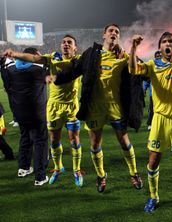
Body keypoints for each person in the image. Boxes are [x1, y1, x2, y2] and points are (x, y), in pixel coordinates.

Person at [54, 24, 143, 193]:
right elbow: (75, 70)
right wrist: (56, 78)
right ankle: (101, 176)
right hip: (95, 107)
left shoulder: (124, 56)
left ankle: (134, 173)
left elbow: (138, 70)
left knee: (124, 141)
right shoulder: (91, 53)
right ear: (104, 35)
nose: (114, 33)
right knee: (95, 144)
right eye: (111, 31)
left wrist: (131, 49)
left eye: (117, 32)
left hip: (116, 107)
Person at [129, 32, 172, 213]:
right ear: (160, 47)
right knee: (153, 161)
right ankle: (153, 196)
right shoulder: (152, 65)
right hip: (160, 119)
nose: (168, 44)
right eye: (165, 42)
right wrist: (134, 47)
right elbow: (132, 69)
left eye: (171, 41)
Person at [3, 35, 83, 187]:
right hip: (49, 108)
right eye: (63, 42)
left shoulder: (79, 60)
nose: (65, 44)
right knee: (51, 140)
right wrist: (16, 54)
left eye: (69, 42)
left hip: (68, 107)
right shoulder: (50, 59)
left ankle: (76, 170)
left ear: (75, 47)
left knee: (73, 140)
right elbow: (33, 59)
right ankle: (54, 170)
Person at [1, 47, 49, 185]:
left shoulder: (10, 69)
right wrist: (42, 59)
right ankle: (40, 176)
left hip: (19, 113)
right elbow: (52, 74)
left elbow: (7, 85)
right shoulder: (39, 70)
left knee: (25, 138)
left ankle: (23, 168)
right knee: (40, 141)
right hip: (37, 113)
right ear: (32, 56)